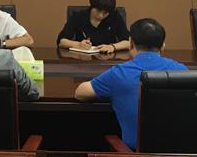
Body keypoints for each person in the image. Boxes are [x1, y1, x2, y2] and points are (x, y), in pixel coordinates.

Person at [75, 18, 186, 150]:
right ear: (163, 46)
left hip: (133, 153)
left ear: (131, 43)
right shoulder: (182, 71)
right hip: (179, 152)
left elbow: (80, 93)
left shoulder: (119, 73)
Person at [57, 0, 130, 53]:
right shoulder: (78, 16)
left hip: (108, 59)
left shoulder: (115, 16)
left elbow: (128, 42)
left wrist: (112, 47)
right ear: (92, 6)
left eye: (105, 13)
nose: (101, 15)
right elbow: (61, 42)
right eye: (98, 10)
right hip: (82, 59)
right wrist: (78, 44)